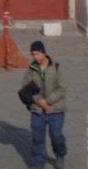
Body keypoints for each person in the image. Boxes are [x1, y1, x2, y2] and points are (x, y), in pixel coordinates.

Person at [22, 41, 66, 169]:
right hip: (37, 110)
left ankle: (60, 154)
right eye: (33, 54)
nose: (35, 57)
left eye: (37, 53)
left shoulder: (56, 68)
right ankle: (38, 162)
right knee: (37, 138)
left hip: (55, 109)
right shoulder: (31, 69)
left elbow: (62, 89)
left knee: (56, 136)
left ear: (43, 52)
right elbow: (26, 88)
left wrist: (48, 101)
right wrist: (39, 100)